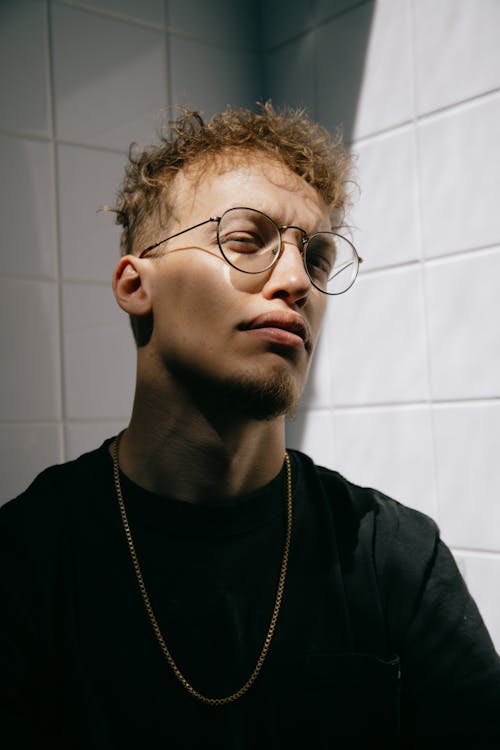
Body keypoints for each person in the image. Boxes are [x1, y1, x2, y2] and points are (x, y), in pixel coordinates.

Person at [1, 103, 499, 748]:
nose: (295, 281)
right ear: (135, 285)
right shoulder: (28, 561)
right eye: (244, 240)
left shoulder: (392, 555)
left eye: (316, 258)